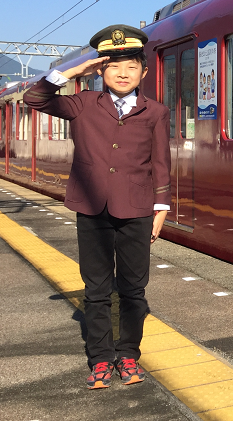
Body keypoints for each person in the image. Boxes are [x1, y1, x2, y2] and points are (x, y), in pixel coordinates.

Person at [24, 24, 171, 389]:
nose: (123, 74)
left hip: (136, 209)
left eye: (131, 67)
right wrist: (72, 71)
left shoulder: (155, 112)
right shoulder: (83, 104)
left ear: (144, 72)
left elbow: (161, 162)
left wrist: (163, 206)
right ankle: (101, 359)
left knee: (135, 289)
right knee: (96, 289)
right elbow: (34, 99)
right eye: (113, 66)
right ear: (101, 71)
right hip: (91, 207)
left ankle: (129, 355)